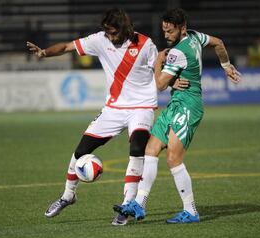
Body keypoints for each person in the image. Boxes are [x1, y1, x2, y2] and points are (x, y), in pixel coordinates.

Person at [27, 8, 162, 226]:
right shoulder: (99, 40)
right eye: (108, 33)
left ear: (124, 28)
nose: (111, 37)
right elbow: (67, 47)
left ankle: (127, 205)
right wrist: (44, 53)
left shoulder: (147, 46)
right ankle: (68, 195)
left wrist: (173, 83)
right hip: (113, 109)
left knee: (137, 149)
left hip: (142, 107)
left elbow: (160, 74)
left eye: (114, 33)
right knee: (80, 151)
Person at [114, 8, 241, 224]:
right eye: (164, 31)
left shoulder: (177, 53)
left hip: (188, 106)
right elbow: (218, 42)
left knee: (173, 158)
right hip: (176, 104)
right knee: (151, 149)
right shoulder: (194, 36)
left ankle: (190, 211)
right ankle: (139, 204)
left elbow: (159, 85)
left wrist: (157, 64)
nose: (166, 35)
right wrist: (226, 66)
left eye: (170, 31)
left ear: (181, 28)